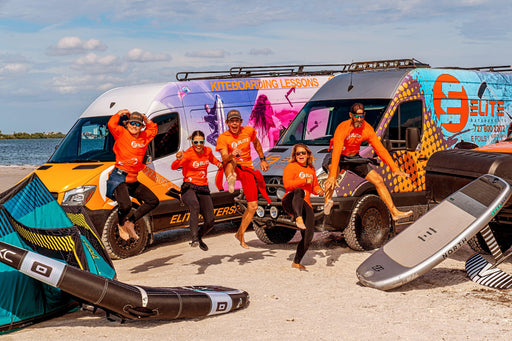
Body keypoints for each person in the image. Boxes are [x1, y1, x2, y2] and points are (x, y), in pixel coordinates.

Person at [323, 103, 412, 221]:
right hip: (339, 156)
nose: (359, 119)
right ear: (351, 115)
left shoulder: (367, 129)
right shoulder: (342, 127)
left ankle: (394, 212)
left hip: (354, 157)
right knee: (332, 174)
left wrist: (394, 168)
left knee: (378, 180)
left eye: (362, 116)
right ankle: (327, 202)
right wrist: (333, 174)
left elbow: (380, 149)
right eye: (356, 116)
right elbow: (337, 152)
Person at [216, 109, 270, 249]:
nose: (234, 123)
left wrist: (263, 159)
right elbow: (223, 158)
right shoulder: (223, 137)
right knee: (231, 161)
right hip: (232, 167)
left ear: (240, 122)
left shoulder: (248, 131)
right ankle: (230, 179)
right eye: (231, 121)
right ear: (227, 123)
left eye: (237, 121)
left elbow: (257, 143)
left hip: (247, 170)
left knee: (253, 206)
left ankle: (240, 233)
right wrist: (232, 154)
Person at [106, 109, 159, 241]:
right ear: (127, 124)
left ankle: (130, 222)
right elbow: (111, 124)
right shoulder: (121, 133)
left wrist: (146, 119)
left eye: (138, 124)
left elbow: (153, 130)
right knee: (126, 206)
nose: (134, 126)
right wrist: (119, 113)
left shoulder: (144, 137)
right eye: (132, 123)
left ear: (141, 126)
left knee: (153, 201)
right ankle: (121, 224)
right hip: (120, 177)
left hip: (133, 179)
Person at [171, 130, 223, 251]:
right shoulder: (188, 154)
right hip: (189, 187)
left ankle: (199, 237)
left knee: (210, 221)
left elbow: (213, 159)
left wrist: (219, 164)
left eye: (201, 142)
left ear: (204, 141)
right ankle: (194, 238)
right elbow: (173, 167)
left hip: (203, 187)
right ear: (192, 142)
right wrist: (178, 159)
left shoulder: (208, 151)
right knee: (194, 205)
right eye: (196, 142)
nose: (198, 144)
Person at [282, 144, 324, 270]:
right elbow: (287, 185)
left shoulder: (311, 169)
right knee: (299, 191)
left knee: (308, 236)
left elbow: (314, 187)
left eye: (303, 153)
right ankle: (298, 218)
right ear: (294, 156)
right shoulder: (291, 167)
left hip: (306, 205)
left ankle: (296, 261)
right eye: (298, 153)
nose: (300, 155)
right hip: (290, 200)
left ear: (308, 154)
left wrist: (319, 190)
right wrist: (304, 181)